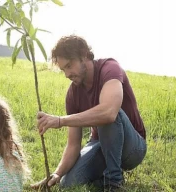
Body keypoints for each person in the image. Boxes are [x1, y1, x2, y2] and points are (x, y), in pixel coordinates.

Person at [31, 35, 147, 190]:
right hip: (99, 145)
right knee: (67, 183)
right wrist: (57, 174)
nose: (67, 74)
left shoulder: (110, 68)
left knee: (107, 114)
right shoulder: (73, 94)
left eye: (69, 65)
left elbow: (109, 113)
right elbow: (73, 145)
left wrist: (61, 120)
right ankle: (103, 175)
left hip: (132, 148)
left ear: (84, 55)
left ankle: (113, 182)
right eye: (63, 69)